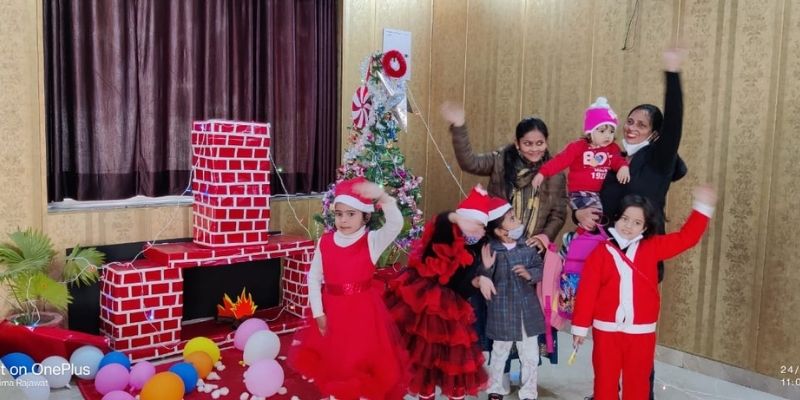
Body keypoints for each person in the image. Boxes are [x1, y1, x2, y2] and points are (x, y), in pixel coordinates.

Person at [575, 48, 688, 400]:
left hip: (643, 257)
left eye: (641, 124)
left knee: (638, 334)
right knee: (608, 332)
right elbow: (585, 189)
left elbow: (675, 124)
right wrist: (578, 213)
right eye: (630, 121)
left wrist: (672, 75)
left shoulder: (659, 160)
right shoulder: (612, 155)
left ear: (655, 134)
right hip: (607, 255)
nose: (632, 127)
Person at [571, 185, 716, 400]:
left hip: (641, 332)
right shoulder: (600, 252)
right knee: (604, 382)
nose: (628, 226)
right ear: (617, 218)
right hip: (606, 330)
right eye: (625, 219)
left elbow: (687, 238)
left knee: (638, 384)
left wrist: (702, 207)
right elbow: (587, 292)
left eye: (637, 222)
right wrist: (580, 328)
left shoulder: (653, 247)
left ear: (645, 227)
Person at [288, 176, 409, 399]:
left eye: (351, 214)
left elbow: (395, 224)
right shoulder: (325, 242)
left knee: (359, 358)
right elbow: (313, 277)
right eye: (339, 214)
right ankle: (339, 392)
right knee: (336, 358)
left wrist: (382, 197)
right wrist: (318, 313)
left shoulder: (372, 241)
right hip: (333, 312)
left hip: (362, 314)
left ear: (366, 216)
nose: (343, 220)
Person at [384, 186, 493, 399]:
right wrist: (455, 218)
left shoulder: (476, 250)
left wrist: (480, 278)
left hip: (451, 313)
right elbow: (442, 222)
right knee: (424, 366)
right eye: (473, 223)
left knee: (455, 368)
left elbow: (460, 290)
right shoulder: (445, 235)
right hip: (423, 307)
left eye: (481, 226)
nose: (476, 230)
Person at [479, 197, 545, 400]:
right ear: (500, 231)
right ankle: (496, 388)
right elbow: (483, 279)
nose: (518, 221)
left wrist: (530, 274)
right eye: (512, 219)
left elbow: (540, 268)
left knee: (530, 354)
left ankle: (529, 392)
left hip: (527, 311)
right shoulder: (491, 250)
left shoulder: (527, 246)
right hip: (502, 310)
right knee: (499, 351)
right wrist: (486, 269)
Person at [532, 97, 630, 230]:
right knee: (595, 216)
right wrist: (543, 173)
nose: (608, 136)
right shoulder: (578, 147)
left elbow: (618, 160)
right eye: (602, 131)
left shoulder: (612, 148)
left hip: (599, 194)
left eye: (611, 131)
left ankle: (577, 237)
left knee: (602, 217)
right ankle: (579, 237)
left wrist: (623, 167)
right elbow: (560, 161)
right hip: (581, 193)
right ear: (590, 131)